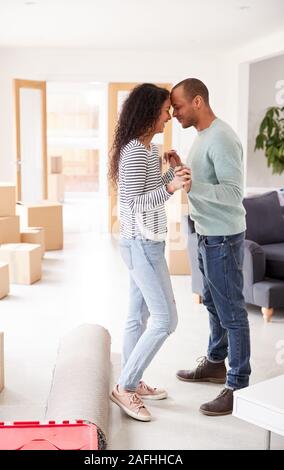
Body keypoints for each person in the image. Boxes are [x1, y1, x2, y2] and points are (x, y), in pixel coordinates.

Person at [108, 83, 189, 422]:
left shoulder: (145, 148)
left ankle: (133, 380)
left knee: (137, 317)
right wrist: (171, 185)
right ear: (149, 112)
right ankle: (125, 387)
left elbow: (147, 191)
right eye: (166, 110)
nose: (170, 115)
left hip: (145, 242)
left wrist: (169, 173)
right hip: (140, 243)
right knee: (165, 320)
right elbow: (132, 204)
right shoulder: (135, 151)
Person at [171, 78, 251, 416]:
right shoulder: (203, 137)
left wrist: (194, 184)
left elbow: (233, 193)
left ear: (198, 101)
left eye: (179, 106)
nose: (174, 113)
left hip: (223, 237)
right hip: (206, 232)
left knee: (232, 311)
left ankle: (238, 384)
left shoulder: (222, 137)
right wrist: (180, 169)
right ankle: (216, 362)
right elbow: (203, 183)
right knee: (214, 306)